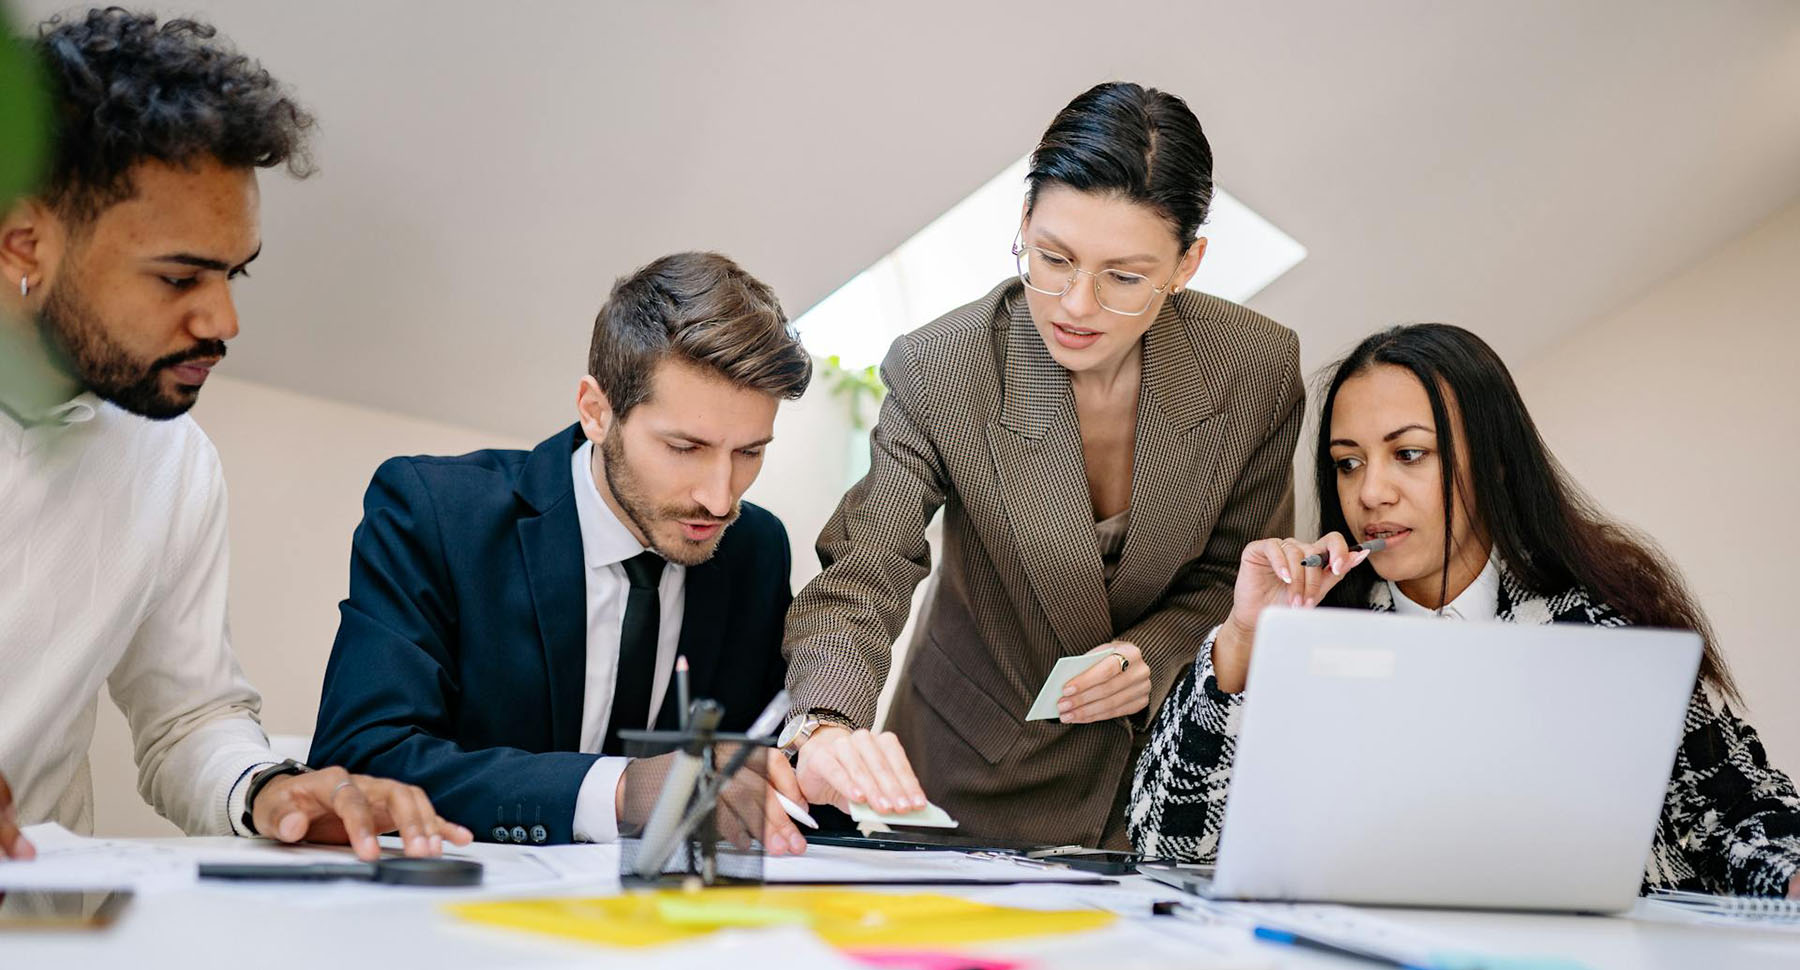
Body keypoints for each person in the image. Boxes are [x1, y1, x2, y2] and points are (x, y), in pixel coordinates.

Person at [781, 82, 1304, 848]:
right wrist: (824, 724)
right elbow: (866, 566)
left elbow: (1238, 576)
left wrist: (1149, 654)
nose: (1075, 304)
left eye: (1123, 276)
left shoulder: (1254, 368)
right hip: (964, 776)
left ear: (1188, 263)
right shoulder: (941, 368)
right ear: (1023, 223)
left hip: (1158, 782)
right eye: (1052, 258)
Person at [0, 8, 469, 861]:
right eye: (180, 277)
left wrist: (269, 791)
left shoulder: (168, 459)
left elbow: (187, 718)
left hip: (36, 926)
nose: (224, 319)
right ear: (24, 243)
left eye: (232, 273)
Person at [1130, 322, 1800, 897]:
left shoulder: (1599, 626)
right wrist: (1245, 640)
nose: (1372, 492)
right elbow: (1165, 843)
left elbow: (1731, 813)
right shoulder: (1312, 637)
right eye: (1348, 463)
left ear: (1498, 465)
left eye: (1409, 455)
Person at [309, 252, 813, 853]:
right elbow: (360, 757)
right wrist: (620, 790)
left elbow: (755, 770)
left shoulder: (756, 549)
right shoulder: (435, 514)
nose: (719, 497)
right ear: (596, 411)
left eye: (750, 453)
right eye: (685, 447)